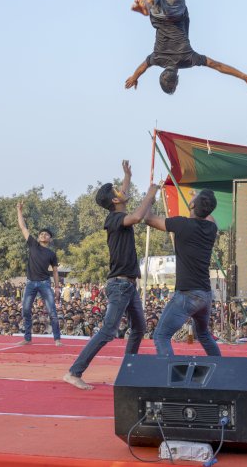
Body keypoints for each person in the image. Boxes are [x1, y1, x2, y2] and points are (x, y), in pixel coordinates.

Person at [63, 160, 159, 390]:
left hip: (127, 285)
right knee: (108, 331)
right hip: (120, 285)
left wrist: (127, 176)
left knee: (139, 328)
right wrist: (150, 194)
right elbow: (136, 217)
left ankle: (129, 371)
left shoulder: (117, 212)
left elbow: (124, 197)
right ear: (115, 200)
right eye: (119, 191)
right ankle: (74, 372)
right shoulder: (115, 219)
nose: (123, 191)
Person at [126, 0, 247, 94]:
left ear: (177, 80)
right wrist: (134, 77)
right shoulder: (156, 59)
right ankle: (145, 0)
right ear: (162, 74)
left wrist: (244, 76)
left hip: (175, 11)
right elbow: (142, 68)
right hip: (157, 13)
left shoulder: (189, 59)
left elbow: (217, 66)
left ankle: (147, 1)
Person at [144, 189, 221, 356]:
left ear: (192, 205)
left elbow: (148, 219)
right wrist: (200, 201)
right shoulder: (211, 228)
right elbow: (208, 215)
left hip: (188, 294)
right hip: (205, 294)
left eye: (193, 198)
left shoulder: (182, 224)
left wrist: (150, 197)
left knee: (161, 335)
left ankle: (169, 377)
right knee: (204, 335)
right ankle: (220, 371)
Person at [16, 201, 62, 347]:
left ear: (50, 239)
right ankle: (28, 338)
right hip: (30, 282)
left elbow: (55, 271)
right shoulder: (33, 245)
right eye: (41, 234)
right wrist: (19, 210)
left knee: (52, 312)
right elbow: (23, 227)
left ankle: (57, 339)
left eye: (46, 234)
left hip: (44, 283)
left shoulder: (51, 253)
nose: (43, 235)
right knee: (26, 310)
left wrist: (56, 287)